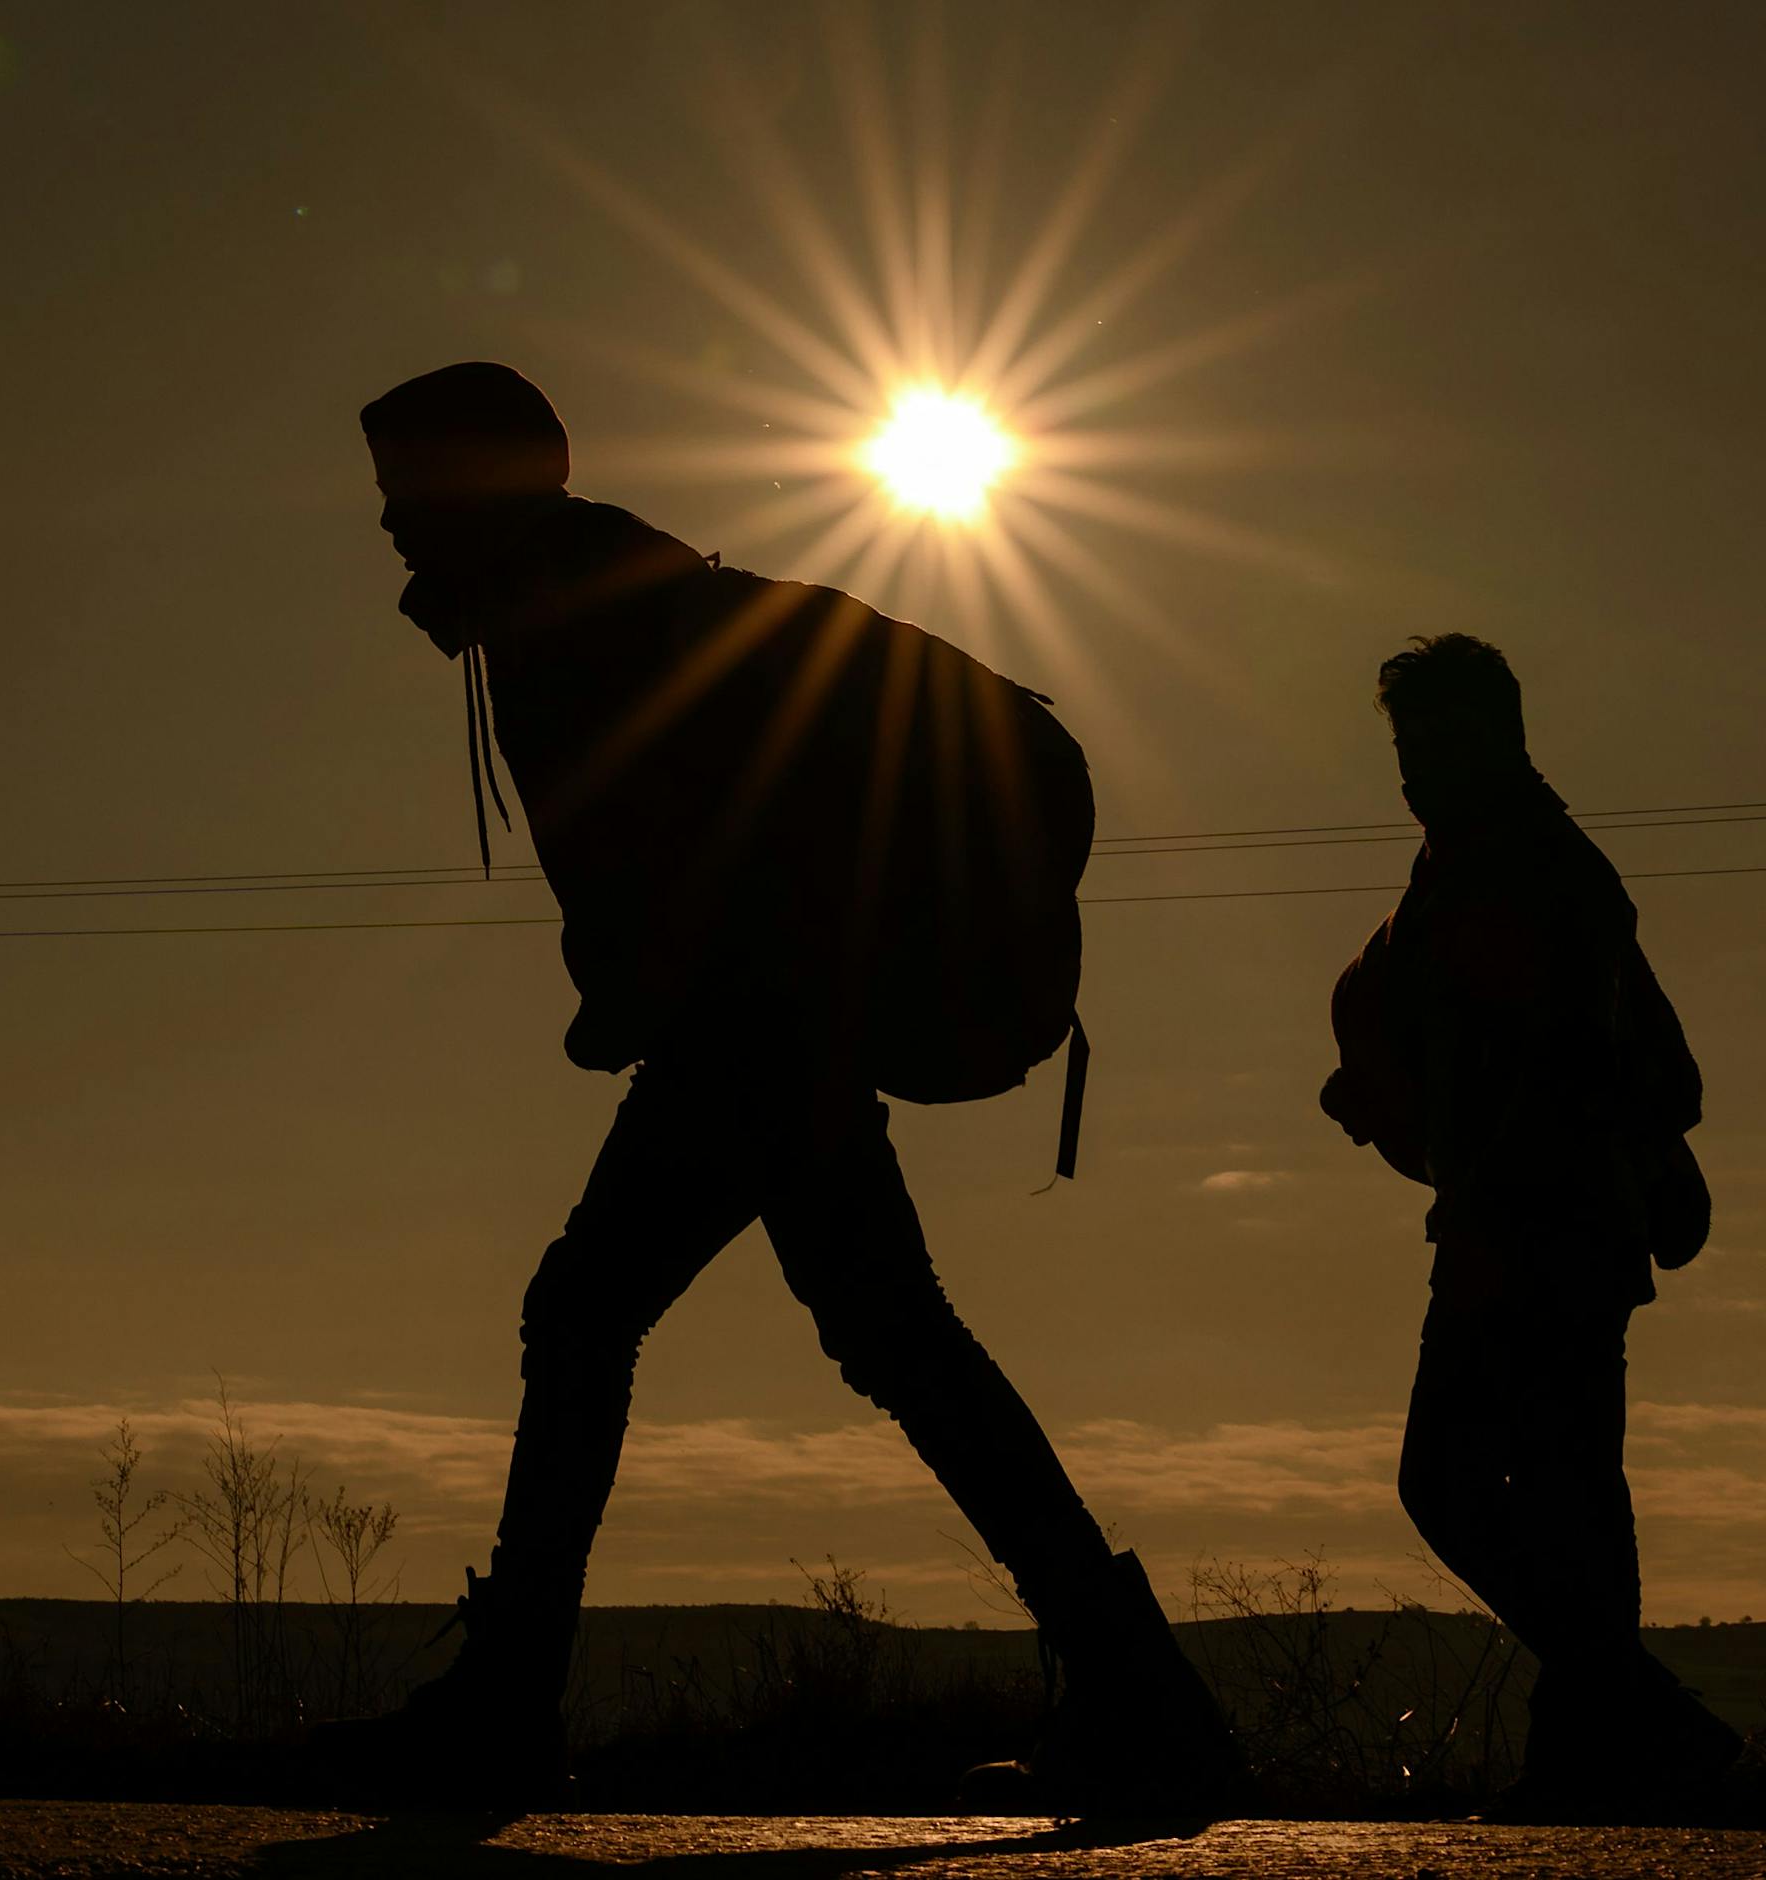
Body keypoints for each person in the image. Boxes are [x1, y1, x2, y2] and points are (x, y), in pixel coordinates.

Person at [330, 360, 1245, 1814]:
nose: (385, 525)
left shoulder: (579, 619)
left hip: (761, 1029)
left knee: (595, 1310)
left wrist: (643, 1000)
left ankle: (505, 1707)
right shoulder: (586, 595)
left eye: (404, 493)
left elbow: (691, 843)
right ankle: (1145, 1693)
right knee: (893, 1341)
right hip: (772, 1021)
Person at [1320, 633, 1741, 1821]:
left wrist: (1484, 1152)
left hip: (1529, 1227)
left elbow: (1593, 1062)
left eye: (1431, 742)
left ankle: (1643, 1718)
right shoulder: (1480, 861)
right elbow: (1634, 1067)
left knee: (1447, 1483)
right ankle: (1595, 1757)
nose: (1409, 769)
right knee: (1566, 1493)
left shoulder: (1522, 866)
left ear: (1494, 736)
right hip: (1546, 1223)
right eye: (1403, 746)